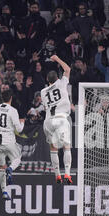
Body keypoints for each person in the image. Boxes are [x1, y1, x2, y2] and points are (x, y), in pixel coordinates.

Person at [41, 55, 73, 184]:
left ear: (47, 80)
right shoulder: (61, 83)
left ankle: (57, 175)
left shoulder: (43, 92)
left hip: (48, 121)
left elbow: (45, 107)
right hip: (61, 119)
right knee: (66, 147)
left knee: (53, 148)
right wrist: (57, 59)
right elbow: (67, 69)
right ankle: (67, 174)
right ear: (57, 79)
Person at [0, 90, 25, 200]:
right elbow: (19, 129)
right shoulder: (12, 110)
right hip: (8, 140)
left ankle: (4, 191)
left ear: (2, 98)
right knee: (17, 158)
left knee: (0, 167)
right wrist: (22, 122)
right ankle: (10, 169)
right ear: (11, 98)